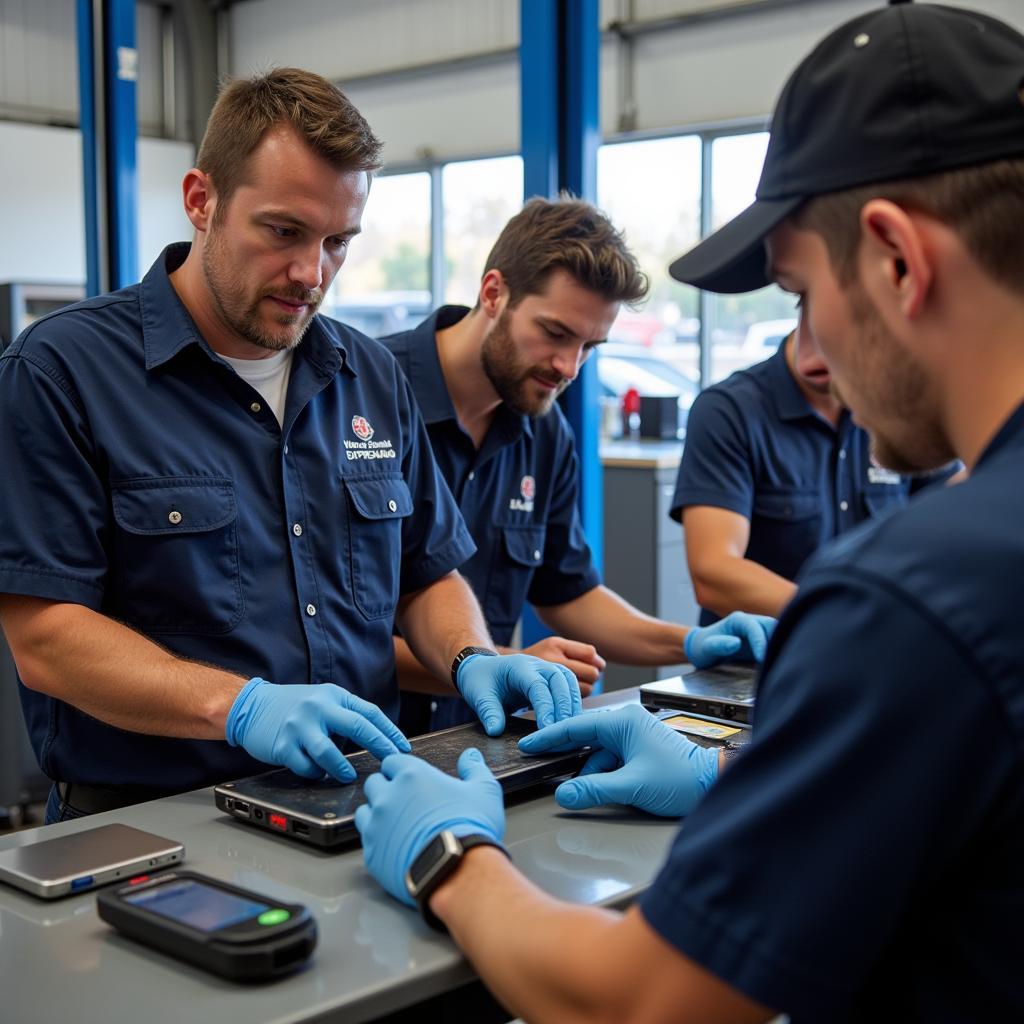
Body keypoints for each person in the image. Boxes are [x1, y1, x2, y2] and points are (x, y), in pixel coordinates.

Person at [353, 5, 1024, 1021]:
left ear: (894, 258)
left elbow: (642, 1005)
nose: (814, 355)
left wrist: (449, 854)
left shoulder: (918, 594)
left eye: (801, 289)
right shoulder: (364, 399)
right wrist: (728, 769)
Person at [0, 69, 582, 826]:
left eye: (338, 242)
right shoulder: (60, 373)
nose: (312, 274)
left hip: (364, 806)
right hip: (152, 820)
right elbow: (45, 637)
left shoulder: (369, 375)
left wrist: (473, 657)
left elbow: (427, 574)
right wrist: (238, 707)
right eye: (284, 232)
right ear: (201, 200)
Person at [379, 196, 776, 734]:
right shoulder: (368, 398)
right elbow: (334, 629)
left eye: (590, 346)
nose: (569, 367)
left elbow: (568, 595)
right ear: (494, 292)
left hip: (471, 738)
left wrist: (687, 642)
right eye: (556, 333)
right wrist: (493, 666)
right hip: (359, 743)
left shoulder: (544, 432)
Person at [673, 313, 957, 622]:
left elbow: (953, 522)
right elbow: (714, 574)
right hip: (763, 662)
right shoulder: (729, 411)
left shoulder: (893, 407)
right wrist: (840, 615)